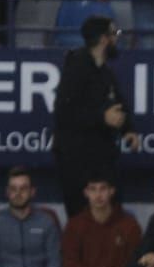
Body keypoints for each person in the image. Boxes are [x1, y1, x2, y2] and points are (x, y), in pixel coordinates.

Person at [54, 17, 137, 210]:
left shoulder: (105, 72)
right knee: (82, 221)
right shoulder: (76, 67)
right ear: (103, 39)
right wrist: (102, 117)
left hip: (102, 159)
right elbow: (65, 113)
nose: (117, 39)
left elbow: (118, 103)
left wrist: (128, 129)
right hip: (77, 163)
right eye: (115, 34)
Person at [63, 177, 142, 267]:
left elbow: (136, 259)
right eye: (93, 189)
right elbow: (69, 262)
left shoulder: (129, 224)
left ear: (111, 191)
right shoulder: (75, 224)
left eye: (103, 189)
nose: (98, 195)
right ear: (86, 192)